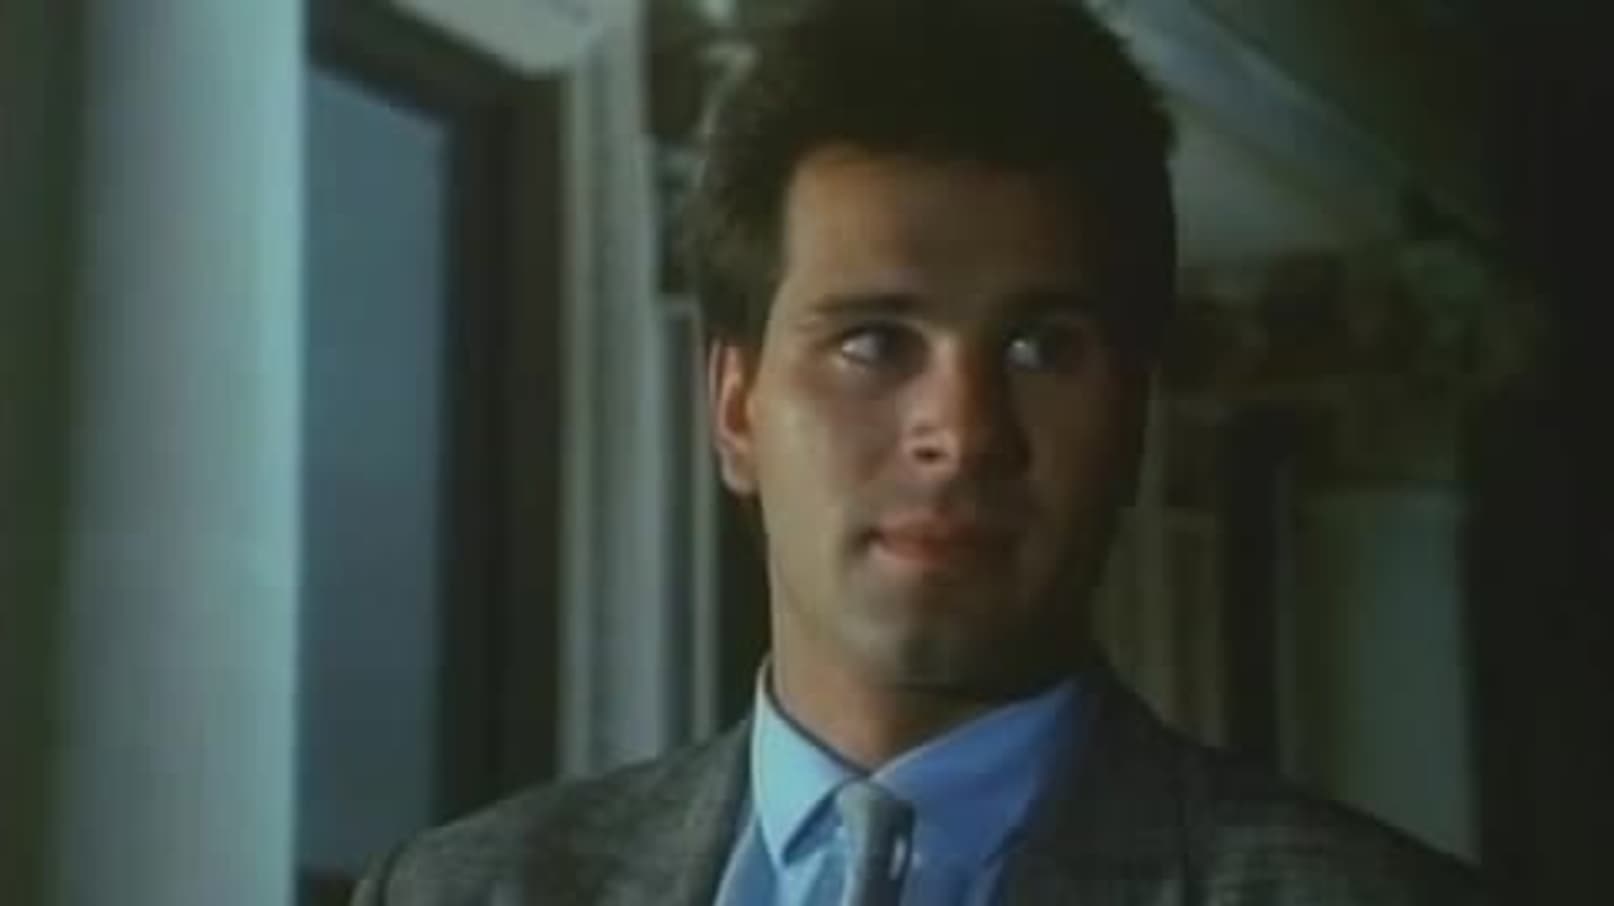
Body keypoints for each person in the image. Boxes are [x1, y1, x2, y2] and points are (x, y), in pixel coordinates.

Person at [353, 0, 1483, 902]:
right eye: (873, 342)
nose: (964, 430)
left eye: (1042, 346)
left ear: (1133, 416)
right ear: (737, 410)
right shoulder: (459, 892)